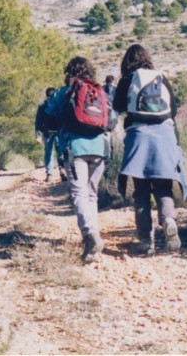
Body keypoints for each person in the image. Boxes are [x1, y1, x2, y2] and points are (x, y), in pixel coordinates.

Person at [113, 44, 187, 256]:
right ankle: (168, 220)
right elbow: (173, 110)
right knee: (163, 187)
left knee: (142, 190)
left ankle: (146, 241)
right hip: (164, 134)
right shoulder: (161, 77)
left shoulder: (128, 80)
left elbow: (118, 107)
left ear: (126, 61)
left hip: (139, 136)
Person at [43, 56, 114, 263]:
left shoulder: (64, 92)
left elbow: (49, 116)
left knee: (78, 193)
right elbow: (112, 119)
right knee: (91, 194)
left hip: (75, 148)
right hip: (100, 148)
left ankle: (90, 235)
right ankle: (94, 237)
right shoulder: (98, 90)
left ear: (69, 72)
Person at [35, 86, 65, 181]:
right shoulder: (59, 104)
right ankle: (62, 170)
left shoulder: (42, 105)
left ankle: (49, 174)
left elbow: (38, 121)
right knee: (60, 151)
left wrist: (38, 134)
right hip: (59, 131)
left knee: (48, 152)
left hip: (47, 131)